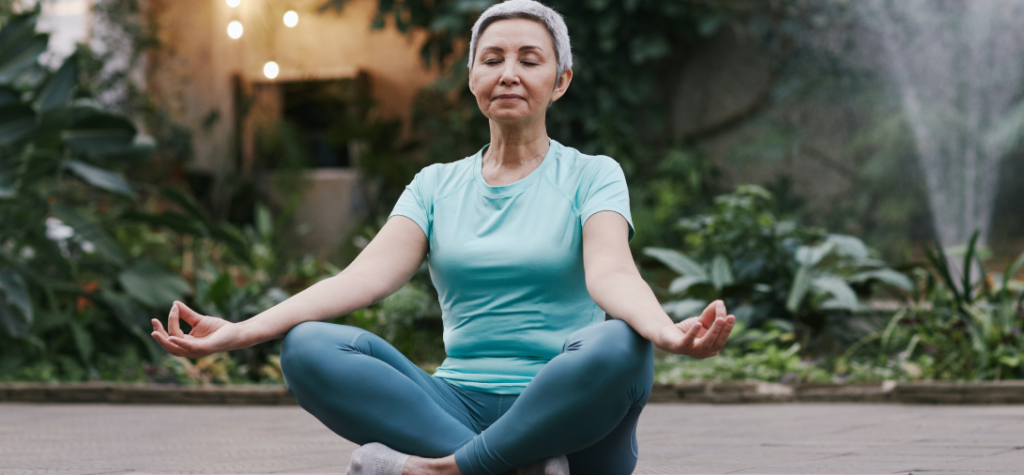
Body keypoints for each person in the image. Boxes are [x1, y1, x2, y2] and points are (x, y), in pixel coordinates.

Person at [149, 1, 736, 474]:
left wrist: (666, 332)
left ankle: (443, 471)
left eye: (529, 60)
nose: (509, 73)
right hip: (452, 404)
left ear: (560, 82)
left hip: (570, 413)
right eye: (493, 58)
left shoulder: (592, 174)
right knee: (308, 347)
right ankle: (513, 468)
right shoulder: (436, 185)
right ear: (474, 77)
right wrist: (240, 333)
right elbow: (362, 279)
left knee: (621, 345)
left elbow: (611, 273)